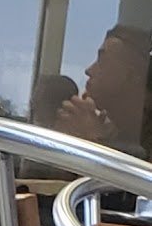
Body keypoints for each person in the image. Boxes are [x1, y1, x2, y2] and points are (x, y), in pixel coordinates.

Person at [56, 24, 152, 157]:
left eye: (101, 61)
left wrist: (93, 142)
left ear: (131, 75)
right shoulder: (113, 131)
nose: (88, 70)